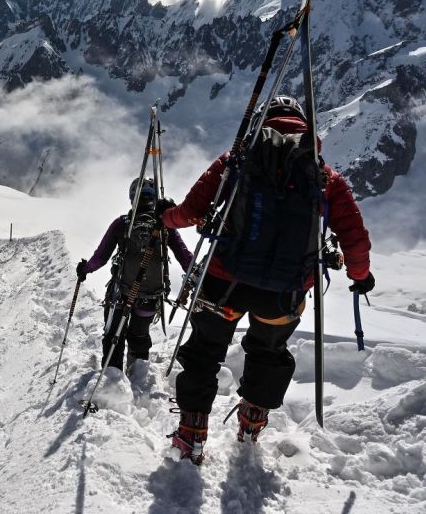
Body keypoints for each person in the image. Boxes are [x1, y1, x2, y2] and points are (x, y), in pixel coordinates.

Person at [161, 96, 373, 464]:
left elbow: (192, 212)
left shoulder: (235, 162)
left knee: (204, 353)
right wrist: (360, 276)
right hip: (284, 293)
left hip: (224, 284)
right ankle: (251, 425)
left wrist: (165, 220)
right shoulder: (324, 176)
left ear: (262, 123)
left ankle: (191, 433)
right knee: (269, 354)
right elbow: (354, 238)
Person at [77, 177, 193, 373]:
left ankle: (112, 377)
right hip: (151, 295)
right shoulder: (165, 226)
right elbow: (184, 255)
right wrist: (199, 276)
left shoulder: (122, 224)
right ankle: (138, 374)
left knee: (114, 335)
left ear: (132, 197)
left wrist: (85, 269)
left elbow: (101, 257)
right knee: (140, 335)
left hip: (121, 292)